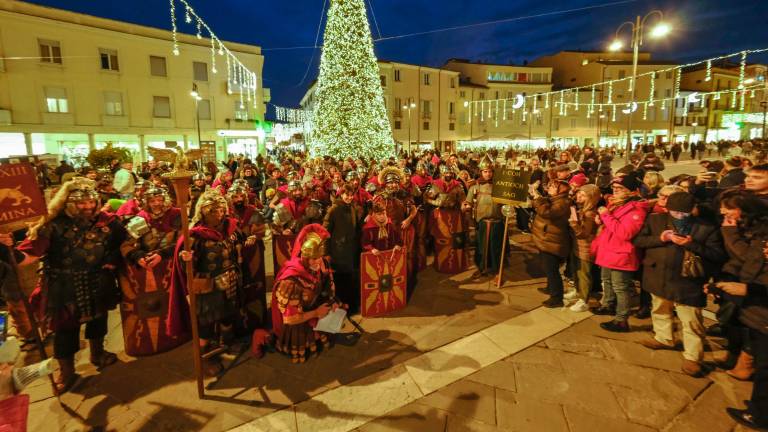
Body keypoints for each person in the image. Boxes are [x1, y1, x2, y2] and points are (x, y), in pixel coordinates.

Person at [14, 177, 126, 393]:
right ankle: (67, 372)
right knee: (65, 331)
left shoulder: (106, 221)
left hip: (98, 279)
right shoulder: (52, 225)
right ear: (67, 203)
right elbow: (29, 255)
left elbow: (123, 240)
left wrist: (115, 258)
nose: (88, 206)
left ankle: (98, 354)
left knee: (98, 320)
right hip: (64, 285)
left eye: (91, 201)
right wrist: (7, 250)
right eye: (81, 203)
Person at [633, 192, 726, 376]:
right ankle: (664, 337)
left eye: (684, 213)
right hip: (658, 274)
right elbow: (639, 241)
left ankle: (693, 357)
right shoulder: (655, 220)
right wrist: (662, 238)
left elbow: (717, 255)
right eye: (675, 212)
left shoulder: (707, 228)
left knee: (691, 320)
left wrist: (692, 244)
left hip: (688, 281)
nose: (680, 216)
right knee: (659, 308)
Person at [170, 189, 248, 376]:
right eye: (213, 211)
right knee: (205, 323)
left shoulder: (230, 227)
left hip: (229, 279)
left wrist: (249, 238)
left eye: (221, 210)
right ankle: (203, 358)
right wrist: (185, 258)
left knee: (229, 314)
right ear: (203, 211)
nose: (219, 214)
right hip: (207, 286)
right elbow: (184, 264)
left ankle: (227, 342)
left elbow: (241, 239)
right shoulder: (195, 236)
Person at [119, 186, 188, 356]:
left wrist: (163, 255)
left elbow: (184, 240)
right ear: (146, 202)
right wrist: (137, 256)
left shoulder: (176, 216)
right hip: (150, 271)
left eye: (159, 200)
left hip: (174, 267)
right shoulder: (140, 220)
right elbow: (126, 245)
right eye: (152, 201)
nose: (157, 204)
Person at [270, 224, 342, 363]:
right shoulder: (290, 282)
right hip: (298, 326)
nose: (317, 262)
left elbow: (325, 289)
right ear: (304, 257)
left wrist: (332, 302)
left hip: (316, 315)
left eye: (319, 257)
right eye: (313, 258)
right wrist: (316, 313)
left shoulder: (321, 265)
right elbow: (290, 319)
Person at [591, 172, 650, 332]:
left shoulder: (636, 209)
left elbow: (625, 233)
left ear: (632, 191)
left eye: (620, 188)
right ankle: (608, 304)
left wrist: (605, 215)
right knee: (607, 281)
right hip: (609, 250)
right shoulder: (619, 203)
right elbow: (612, 223)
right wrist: (602, 219)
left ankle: (621, 320)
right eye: (614, 187)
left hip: (621, 253)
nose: (615, 190)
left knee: (620, 287)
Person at [530, 179, 572, 308]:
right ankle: (550, 287)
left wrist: (537, 198)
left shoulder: (563, 203)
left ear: (560, 190)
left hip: (553, 241)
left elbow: (546, 212)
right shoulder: (555, 199)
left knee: (551, 269)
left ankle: (556, 297)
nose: (549, 188)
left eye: (553, 187)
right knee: (547, 267)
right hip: (547, 239)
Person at [324, 184, 364, 314]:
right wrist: (326, 253)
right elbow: (325, 232)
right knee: (340, 280)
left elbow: (355, 228)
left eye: (351, 195)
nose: (349, 197)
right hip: (338, 251)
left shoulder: (352, 207)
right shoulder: (334, 210)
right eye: (347, 194)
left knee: (350, 278)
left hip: (350, 250)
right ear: (341, 194)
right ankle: (341, 307)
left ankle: (350, 306)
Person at [463, 155, 504, 278]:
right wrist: (466, 206)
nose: (488, 174)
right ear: (481, 172)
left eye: (490, 171)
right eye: (485, 171)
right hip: (481, 221)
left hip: (497, 221)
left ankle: (497, 271)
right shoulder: (475, 186)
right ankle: (481, 268)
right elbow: (468, 202)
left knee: (495, 247)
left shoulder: (500, 186)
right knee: (481, 247)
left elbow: (507, 202)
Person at [567, 184, 601, 312]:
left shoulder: (590, 213)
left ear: (591, 198)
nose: (579, 197)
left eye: (583, 195)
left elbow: (584, 234)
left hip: (586, 248)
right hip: (578, 246)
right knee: (576, 271)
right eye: (579, 194)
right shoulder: (582, 208)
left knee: (584, 274)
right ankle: (577, 291)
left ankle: (584, 300)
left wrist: (574, 225)